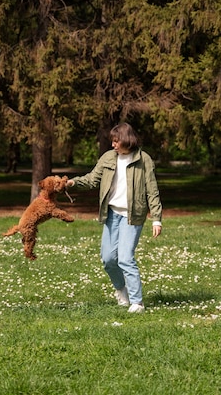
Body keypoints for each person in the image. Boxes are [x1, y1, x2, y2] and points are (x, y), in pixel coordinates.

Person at [67, 122, 162, 313]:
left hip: (132, 216)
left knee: (125, 258)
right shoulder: (108, 158)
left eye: (116, 141)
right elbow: (92, 179)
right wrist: (72, 182)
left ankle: (137, 303)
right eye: (112, 142)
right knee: (108, 259)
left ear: (127, 140)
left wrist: (156, 218)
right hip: (112, 214)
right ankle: (122, 291)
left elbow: (152, 190)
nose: (113, 145)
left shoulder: (144, 159)